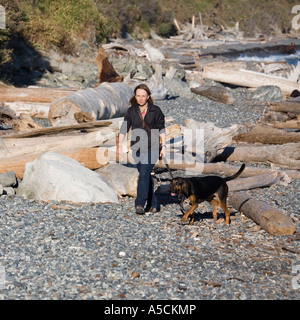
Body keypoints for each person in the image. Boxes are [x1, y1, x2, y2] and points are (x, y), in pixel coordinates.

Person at [117, 84, 166, 215]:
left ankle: (139, 204)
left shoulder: (156, 111)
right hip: (137, 149)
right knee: (145, 176)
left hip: (153, 147)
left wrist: (164, 146)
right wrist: (119, 144)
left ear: (148, 96)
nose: (140, 98)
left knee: (144, 174)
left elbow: (161, 129)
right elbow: (124, 128)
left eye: (143, 96)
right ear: (135, 96)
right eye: (138, 95)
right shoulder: (131, 111)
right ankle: (152, 203)